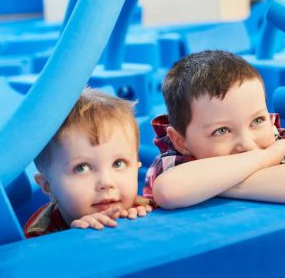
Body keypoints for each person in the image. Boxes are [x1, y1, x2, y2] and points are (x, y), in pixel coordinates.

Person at [143, 50, 285, 209]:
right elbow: (168, 191)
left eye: (257, 120)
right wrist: (268, 156)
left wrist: (213, 186)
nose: (247, 144)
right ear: (181, 141)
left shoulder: (274, 134)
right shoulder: (174, 162)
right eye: (221, 131)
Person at [24, 88, 152, 238]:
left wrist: (147, 222)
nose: (106, 182)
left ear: (136, 169)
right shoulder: (39, 235)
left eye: (118, 163)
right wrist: (74, 240)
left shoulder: (147, 207)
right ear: (47, 185)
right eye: (81, 168)